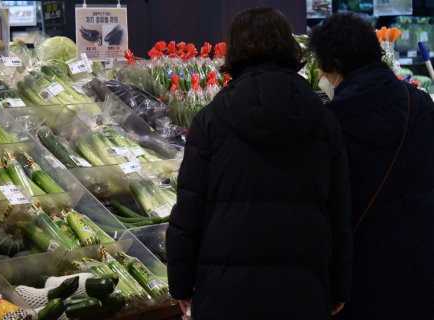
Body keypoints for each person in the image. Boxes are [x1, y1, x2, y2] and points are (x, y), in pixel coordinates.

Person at [166, 7, 352, 320]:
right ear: (289, 47)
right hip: (303, 290)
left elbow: (188, 210)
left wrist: (180, 284)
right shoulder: (323, 119)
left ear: (235, 50)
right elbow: (339, 211)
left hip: (225, 293)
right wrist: (340, 287)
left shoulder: (211, 120)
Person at [310, 13, 434, 319]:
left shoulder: (330, 125)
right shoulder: (420, 105)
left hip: (362, 275)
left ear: (334, 63)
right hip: (422, 266)